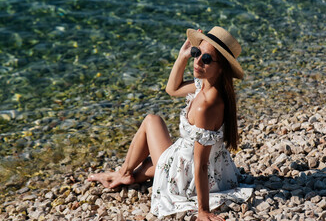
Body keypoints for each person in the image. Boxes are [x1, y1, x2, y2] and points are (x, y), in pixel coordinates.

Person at [88, 26, 253, 220]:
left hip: (187, 172)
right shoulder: (208, 86)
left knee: (152, 120)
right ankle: (124, 174)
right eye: (196, 53)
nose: (198, 61)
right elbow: (172, 90)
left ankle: (123, 173)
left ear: (221, 67)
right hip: (209, 167)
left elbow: (200, 164)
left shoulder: (207, 105)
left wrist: (203, 211)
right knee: (149, 163)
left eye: (206, 59)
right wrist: (182, 57)